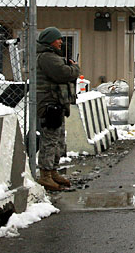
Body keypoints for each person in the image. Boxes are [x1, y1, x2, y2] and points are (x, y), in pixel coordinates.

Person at [36, 27, 80, 191]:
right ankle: (45, 175)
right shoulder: (47, 57)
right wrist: (75, 68)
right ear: (49, 40)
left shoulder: (52, 57)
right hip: (50, 104)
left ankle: (53, 171)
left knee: (58, 140)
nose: (61, 41)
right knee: (50, 140)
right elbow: (63, 73)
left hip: (56, 104)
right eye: (58, 39)